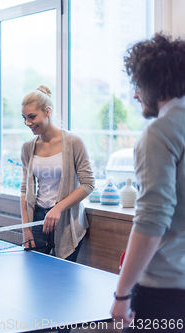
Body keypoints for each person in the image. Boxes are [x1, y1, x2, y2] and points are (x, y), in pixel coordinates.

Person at [111, 33, 185, 331]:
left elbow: (153, 219)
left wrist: (122, 293)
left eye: (136, 85)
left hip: (165, 292)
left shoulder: (160, 133)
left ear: (152, 83)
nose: (135, 94)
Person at [20, 85, 95, 262]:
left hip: (67, 219)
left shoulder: (73, 142)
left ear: (47, 111)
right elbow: (24, 190)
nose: (28, 123)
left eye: (32, 117)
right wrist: (26, 227)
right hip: (37, 219)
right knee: (34, 276)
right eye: (24, 118)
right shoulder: (27, 147)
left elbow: (88, 184)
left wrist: (58, 208)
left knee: (62, 279)